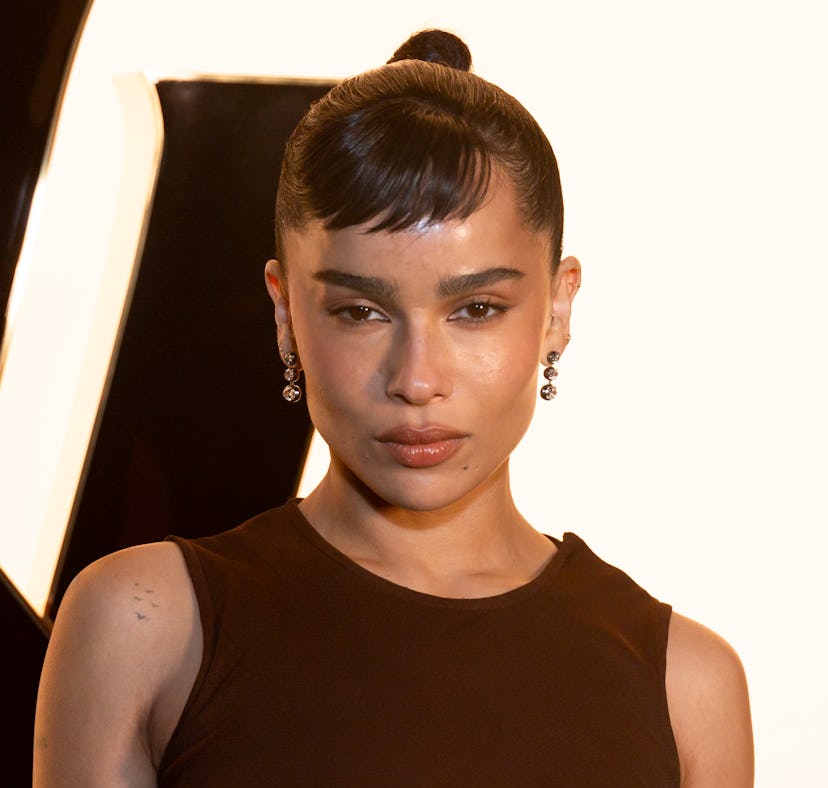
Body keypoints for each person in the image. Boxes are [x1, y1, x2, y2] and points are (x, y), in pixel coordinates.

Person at [33, 29, 753, 786]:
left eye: (477, 308)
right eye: (360, 312)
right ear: (285, 316)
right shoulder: (146, 628)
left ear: (557, 310)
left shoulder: (686, 687)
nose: (416, 380)